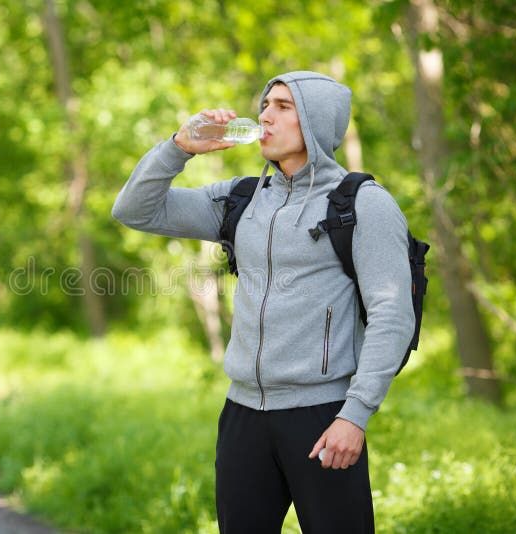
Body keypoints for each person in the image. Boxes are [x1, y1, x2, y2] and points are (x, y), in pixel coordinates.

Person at [111, 71, 415, 533]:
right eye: (265, 104)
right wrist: (179, 147)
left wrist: (355, 415)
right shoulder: (242, 199)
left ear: (315, 121)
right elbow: (134, 210)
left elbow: (393, 316)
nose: (265, 115)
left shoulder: (362, 205)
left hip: (324, 416)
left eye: (283, 107)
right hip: (243, 417)